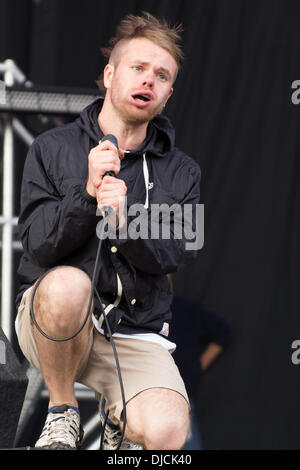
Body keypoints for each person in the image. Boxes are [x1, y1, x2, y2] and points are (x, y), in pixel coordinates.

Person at [15, 12, 201, 450]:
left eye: (161, 76)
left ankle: (118, 423)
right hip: (56, 321)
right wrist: (85, 195)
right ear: (109, 74)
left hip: (135, 329)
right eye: (138, 68)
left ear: (168, 94)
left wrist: (123, 219)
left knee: (167, 433)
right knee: (65, 284)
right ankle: (63, 414)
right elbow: (39, 246)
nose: (148, 81)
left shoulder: (183, 171)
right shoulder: (51, 149)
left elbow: (181, 249)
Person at [167, 281, 232, 450]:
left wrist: (196, 367)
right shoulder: (135, 314)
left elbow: (223, 333)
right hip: (140, 399)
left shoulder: (185, 310)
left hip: (179, 398)